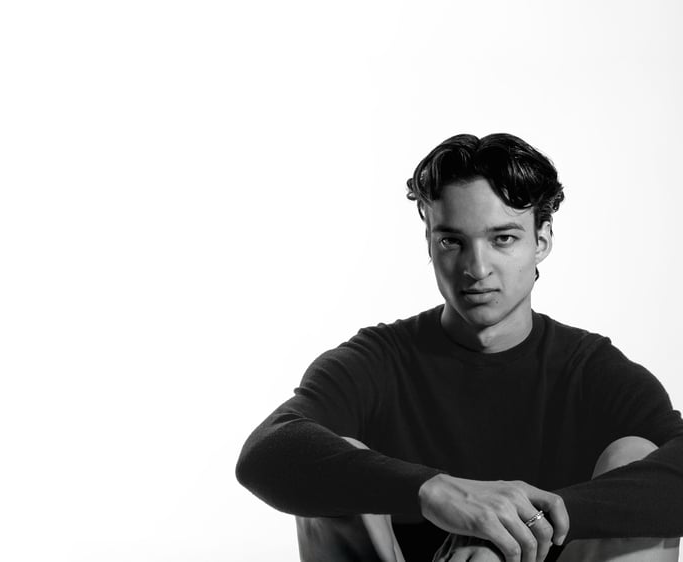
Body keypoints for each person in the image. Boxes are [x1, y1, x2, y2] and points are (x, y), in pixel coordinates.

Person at [235, 133, 683, 561]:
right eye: (452, 241)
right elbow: (266, 451)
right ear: (429, 244)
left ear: (541, 241)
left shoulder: (590, 368)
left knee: (636, 456)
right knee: (334, 455)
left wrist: (519, 523)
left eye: (502, 238)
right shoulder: (380, 358)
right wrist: (433, 490)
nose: (476, 267)